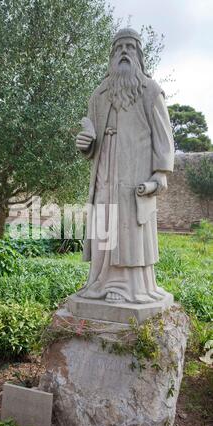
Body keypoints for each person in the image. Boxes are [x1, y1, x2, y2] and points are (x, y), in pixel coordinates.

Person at [76, 28, 174, 304]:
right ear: (111, 56)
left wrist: (160, 174)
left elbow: (164, 138)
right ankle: (100, 283)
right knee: (105, 226)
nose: (124, 53)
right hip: (104, 175)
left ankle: (131, 288)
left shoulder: (151, 91)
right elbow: (91, 140)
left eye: (130, 47)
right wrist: (86, 144)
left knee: (129, 230)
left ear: (139, 55)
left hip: (135, 176)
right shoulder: (98, 95)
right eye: (119, 48)